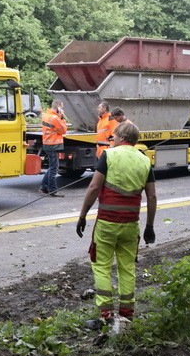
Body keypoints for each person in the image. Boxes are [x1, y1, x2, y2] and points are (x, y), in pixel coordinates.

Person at [76, 121, 157, 326]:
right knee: (127, 267)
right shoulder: (144, 160)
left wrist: (83, 215)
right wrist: (149, 226)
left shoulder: (108, 156)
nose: (112, 141)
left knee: (102, 266)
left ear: (121, 137)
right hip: (132, 224)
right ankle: (127, 314)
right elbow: (152, 196)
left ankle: (106, 316)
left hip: (107, 223)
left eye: (114, 137)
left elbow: (94, 187)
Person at [39, 99, 68, 197]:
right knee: (54, 168)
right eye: (62, 107)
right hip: (53, 145)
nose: (63, 109)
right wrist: (62, 117)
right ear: (58, 107)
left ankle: (44, 187)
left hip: (47, 144)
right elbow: (63, 130)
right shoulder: (55, 118)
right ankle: (52, 190)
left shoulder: (46, 115)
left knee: (51, 167)